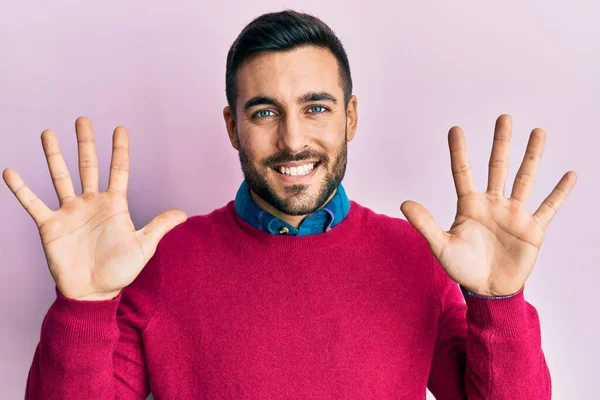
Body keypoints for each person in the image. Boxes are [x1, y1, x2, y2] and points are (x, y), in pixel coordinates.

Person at [3, 10, 577, 400]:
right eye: (264, 112)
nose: (293, 140)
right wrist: (82, 305)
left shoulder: (420, 258)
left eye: (317, 108)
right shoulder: (158, 258)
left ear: (350, 116)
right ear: (232, 126)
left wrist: (498, 302)